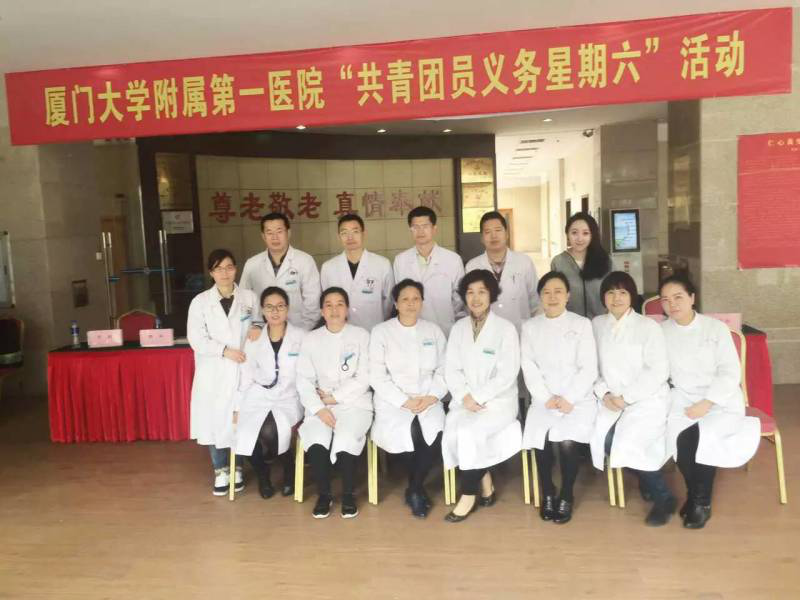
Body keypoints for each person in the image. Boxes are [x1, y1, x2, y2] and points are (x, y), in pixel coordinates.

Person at [660, 275, 760, 529]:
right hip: (683, 397)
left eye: (678, 297)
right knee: (677, 438)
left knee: (700, 437)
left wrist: (707, 402)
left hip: (721, 399)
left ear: (692, 298)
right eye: (666, 300)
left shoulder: (715, 329)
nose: (672, 304)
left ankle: (701, 502)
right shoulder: (661, 332)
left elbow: (729, 372)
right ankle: (695, 495)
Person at [589, 271, 675, 526]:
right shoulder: (596, 325)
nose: (616, 298)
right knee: (604, 439)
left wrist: (627, 397)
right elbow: (591, 366)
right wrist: (604, 392)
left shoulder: (648, 327)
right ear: (603, 297)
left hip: (646, 399)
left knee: (630, 440)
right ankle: (646, 477)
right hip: (609, 399)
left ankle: (663, 498)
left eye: (623, 292)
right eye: (610, 292)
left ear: (632, 296)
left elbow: (658, 371)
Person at [442, 269, 521, 522]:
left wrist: (478, 397)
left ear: (491, 295)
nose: (475, 298)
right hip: (464, 400)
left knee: (469, 433)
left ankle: (468, 495)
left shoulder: (506, 329)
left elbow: (507, 373)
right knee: (452, 433)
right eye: (470, 292)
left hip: (498, 401)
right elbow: (451, 368)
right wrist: (464, 396)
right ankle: (485, 478)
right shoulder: (458, 329)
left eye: (482, 292)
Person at [521, 271, 598, 524]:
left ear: (568, 296)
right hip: (543, 399)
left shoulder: (581, 324)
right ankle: (548, 491)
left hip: (577, 400)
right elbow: (528, 366)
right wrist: (545, 397)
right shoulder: (530, 327)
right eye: (546, 292)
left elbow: (588, 367)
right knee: (541, 440)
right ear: (540, 297)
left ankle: (566, 493)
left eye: (558, 292)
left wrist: (569, 398)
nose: (552, 297)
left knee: (567, 443)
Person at [369, 279, 447, 519]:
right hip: (393, 401)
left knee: (436, 433)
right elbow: (377, 375)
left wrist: (431, 396)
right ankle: (416, 489)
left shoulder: (433, 331)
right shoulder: (381, 332)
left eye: (416, 299)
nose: (411, 304)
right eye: (405, 299)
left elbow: (444, 369)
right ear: (396, 303)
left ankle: (414, 488)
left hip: (428, 397)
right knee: (411, 433)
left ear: (422, 302)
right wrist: (403, 401)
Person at [296, 287, 373, 519]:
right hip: (320, 404)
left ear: (347, 309)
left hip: (355, 402)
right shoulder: (311, 339)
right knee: (317, 436)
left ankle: (348, 494)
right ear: (322, 311)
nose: (334, 309)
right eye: (328, 305)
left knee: (346, 435)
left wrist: (335, 397)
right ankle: (324, 494)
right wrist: (319, 409)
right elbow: (304, 379)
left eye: (340, 304)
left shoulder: (361, 336)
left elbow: (365, 376)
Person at [187, 249, 257, 496]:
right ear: (211, 273)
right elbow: (196, 339)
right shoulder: (200, 302)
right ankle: (220, 470)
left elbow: (259, 324)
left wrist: (256, 328)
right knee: (215, 421)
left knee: (239, 420)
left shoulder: (249, 298)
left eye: (229, 267)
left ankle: (237, 467)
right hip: (213, 370)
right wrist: (225, 351)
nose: (224, 273)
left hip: (242, 368)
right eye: (218, 268)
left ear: (236, 269)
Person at [234, 286, 306, 499]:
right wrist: (238, 406)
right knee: (243, 432)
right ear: (263, 310)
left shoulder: (301, 336)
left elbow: (308, 373)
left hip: (289, 396)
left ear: (288, 309)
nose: (275, 311)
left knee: (270, 430)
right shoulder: (254, 337)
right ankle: (262, 473)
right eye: (269, 307)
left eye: (280, 306)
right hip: (257, 394)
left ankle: (289, 468)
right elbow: (246, 373)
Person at [240, 212, 321, 330]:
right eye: (269, 233)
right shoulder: (252, 264)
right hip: (262, 332)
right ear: (263, 236)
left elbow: (313, 301)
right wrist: (253, 327)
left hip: (299, 329)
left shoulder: (305, 261)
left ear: (288, 233)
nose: (275, 237)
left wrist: (302, 331)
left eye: (279, 231)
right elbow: (243, 301)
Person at [393, 206, 464, 336]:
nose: (420, 231)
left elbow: (459, 298)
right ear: (410, 230)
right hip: (411, 329)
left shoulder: (453, 259)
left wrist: (445, 315)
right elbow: (399, 296)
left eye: (425, 226)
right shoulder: (400, 260)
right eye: (415, 227)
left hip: (443, 327)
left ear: (434, 229)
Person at [465, 210, 539, 332]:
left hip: (520, 331)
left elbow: (535, 300)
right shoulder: (472, 266)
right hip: (487, 333)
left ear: (507, 234)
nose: (493, 236)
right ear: (482, 238)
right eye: (488, 232)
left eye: (498, 230)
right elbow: (469, 305)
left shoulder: (524, 262)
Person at [320, 214, 394, 331]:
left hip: (373, 329)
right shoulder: (328, 267)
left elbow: (388, 301)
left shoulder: (382, 264)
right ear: (339, 237)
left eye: (355, 232)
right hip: (341, 330)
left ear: (363, 234)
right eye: (344, 233)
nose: (350, 237)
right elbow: (326, 301)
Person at [550, 212, 613, 320]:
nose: (579, 238)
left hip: (600, 324)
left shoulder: (606, 260)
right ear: (567, 234)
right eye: (574, 233)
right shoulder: (558, 262)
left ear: (592, 235)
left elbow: (615, 291)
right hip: (570, 325)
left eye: (585, 233)